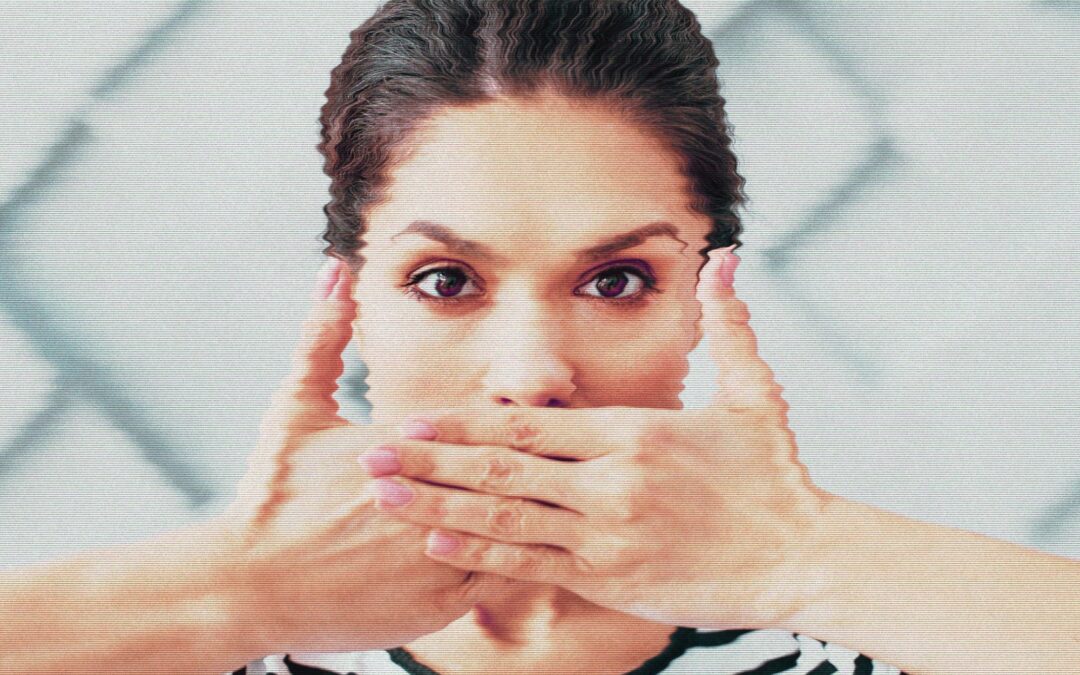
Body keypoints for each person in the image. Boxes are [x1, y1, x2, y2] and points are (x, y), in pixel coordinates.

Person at [1, 1, 1077, 674]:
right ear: (354, 299)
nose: (532, 374)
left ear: (706, 292)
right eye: (445, 280)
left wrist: (799, 557)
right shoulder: (178, 644)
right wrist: (235, 593)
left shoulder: (879, 638)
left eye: (617, 280)